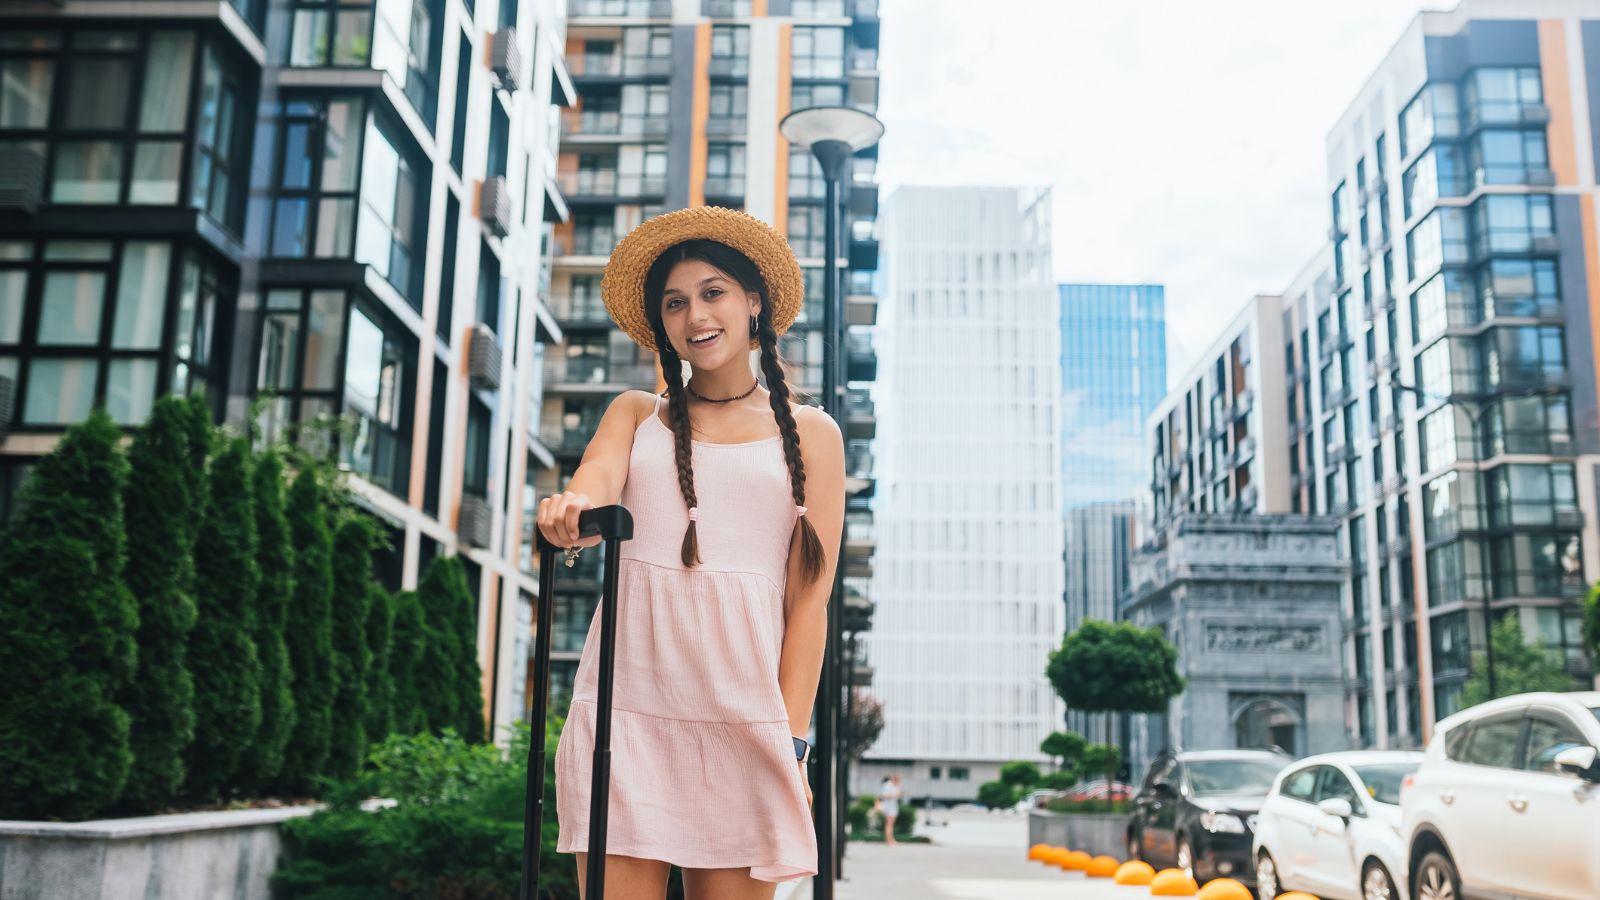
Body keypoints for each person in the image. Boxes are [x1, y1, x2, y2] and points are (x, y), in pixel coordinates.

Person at [537, 206, 846, 900]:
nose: (694, 315)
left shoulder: (814, 436)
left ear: (753, 303)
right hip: (625, 720)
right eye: (675, 303)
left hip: (745, 726)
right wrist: (569, 513)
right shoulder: (634, 415)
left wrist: (790, 742)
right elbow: (591, 491)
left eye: (713, 293)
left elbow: (810, 602)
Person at [876, 774, 902, 845]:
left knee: (891, 824)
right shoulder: (887, 785)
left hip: (893, 806)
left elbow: (897, 795)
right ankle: (888, 840)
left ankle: (891, 839)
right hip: (888, 807)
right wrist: (894, 795)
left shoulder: (895, 786)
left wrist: (898, 795)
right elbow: (883, 796)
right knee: (889, 824)